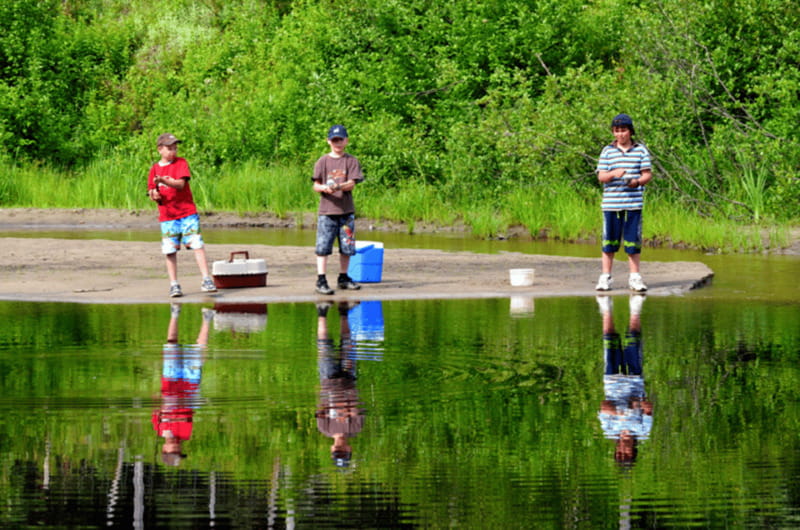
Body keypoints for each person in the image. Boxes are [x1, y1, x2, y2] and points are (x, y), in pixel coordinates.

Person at [147, 133, 217, 298]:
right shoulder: (154, 169)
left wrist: (163, 181)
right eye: (169, 148)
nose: (173, 151)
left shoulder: (181, 163)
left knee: (197, 244)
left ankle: (206, 279)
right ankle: (174, 284)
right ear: (160, 149)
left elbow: (180, 184)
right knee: (170, 250)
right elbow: (151, 191)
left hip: (187, 213)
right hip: (167, 216)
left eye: (175, 148)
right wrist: (154, 194)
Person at [595, 114, 652, 292]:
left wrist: (637, 182)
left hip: (633, 204)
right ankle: (605, 277)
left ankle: (635, 277)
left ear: (630, 131)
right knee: (608, 242)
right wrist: (613, 174)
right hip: (611, 204)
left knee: (633, 242)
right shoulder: (607, 151)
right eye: (617, 131)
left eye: (623, 130)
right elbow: (601, 176)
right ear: (613, 132)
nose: (620, 134)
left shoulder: (641, 150)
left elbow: (647, 174)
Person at [152, 304, 214, 466]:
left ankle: (175, 314)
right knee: (199, 352)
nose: (177, 448)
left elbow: (156, 409)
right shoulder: (186, 434)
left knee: (171, 345)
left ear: (164, 449)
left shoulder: (159, 429)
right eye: (178, 451)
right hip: (189, 385)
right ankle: (207, 318)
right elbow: (187, 414)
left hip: (170, 382)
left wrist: (158, 401)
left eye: (173, 451)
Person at [596, 294, 653, 466]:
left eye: (619, 453)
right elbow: (648, 407)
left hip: (613, 381)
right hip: (634, 380)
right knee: (633, 340)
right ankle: (635, 309)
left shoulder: (609, 431)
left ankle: (606, 309)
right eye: (625, 454)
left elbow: (604, 406)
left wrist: (621, 412)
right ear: (633, 451)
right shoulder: (642, 431)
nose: (622, 450)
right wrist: (635, 404)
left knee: (609, 340)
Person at [311, 125, 364, 295]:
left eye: (340, 140)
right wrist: (324, 188)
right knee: (323, 247)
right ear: (328, 141)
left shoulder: (351, 161)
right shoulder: (322, 161)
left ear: (346, 141)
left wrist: (338, 186)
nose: (337, 143)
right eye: (334, 140)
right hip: (327, 211)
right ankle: (321, 279)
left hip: (346, 211)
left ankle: (343, 277)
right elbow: (315, 185)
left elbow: (352, 184)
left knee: (347, 247)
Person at [315, 301, 365, 467]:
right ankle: (344, 313)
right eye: (343, 452)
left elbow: (320, 407)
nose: (340, 448)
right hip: (349, 380)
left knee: (324, 346)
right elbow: (357, 407)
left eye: (337, 451)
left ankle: (322, 313)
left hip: (328, 381)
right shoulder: (355, 429)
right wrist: (345, 409)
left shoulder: (325, 429)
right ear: (349, 449)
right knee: (348, 343)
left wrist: (342, 408)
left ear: (332, 449)